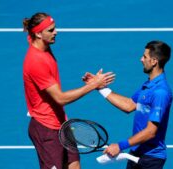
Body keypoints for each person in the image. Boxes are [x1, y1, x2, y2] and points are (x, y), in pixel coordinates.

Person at [22, 12, 114, 169]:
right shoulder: (36, 61)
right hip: (46, 129)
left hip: (61, 122)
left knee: (74, 166)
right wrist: (94, 85)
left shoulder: (43, 46)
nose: (56, 32)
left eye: (54, 28)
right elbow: (60, 98)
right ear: (38, 33)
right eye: (50, 30)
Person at [83, 40, 173, 169]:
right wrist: (100, 88)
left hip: (151, 158)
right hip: (137, 151)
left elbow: (150, 132)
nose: (141, 59)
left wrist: (120, 146)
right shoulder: (148, 85)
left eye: (145, 56)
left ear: (154, 61)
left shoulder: (160, 92)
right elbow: (129, 105)